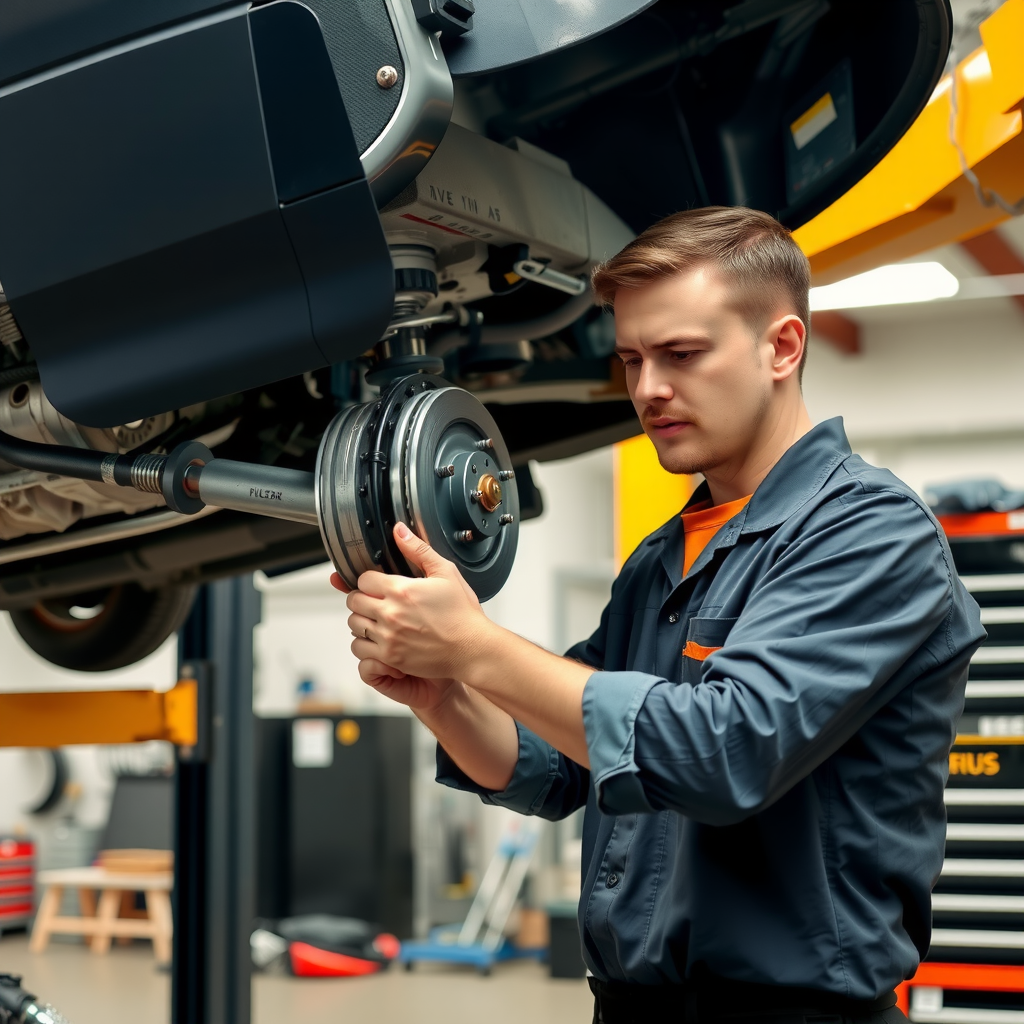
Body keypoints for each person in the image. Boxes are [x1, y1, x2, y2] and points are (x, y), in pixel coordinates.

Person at [334, 206, 985, 1024]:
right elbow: (559, 766)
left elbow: (722, 752)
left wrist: (472, 647)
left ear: (782, 346)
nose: (648, 389)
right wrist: (442, 694)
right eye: (633, 358)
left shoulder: (870, 532)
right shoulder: (661, 558)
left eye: (682, 354)